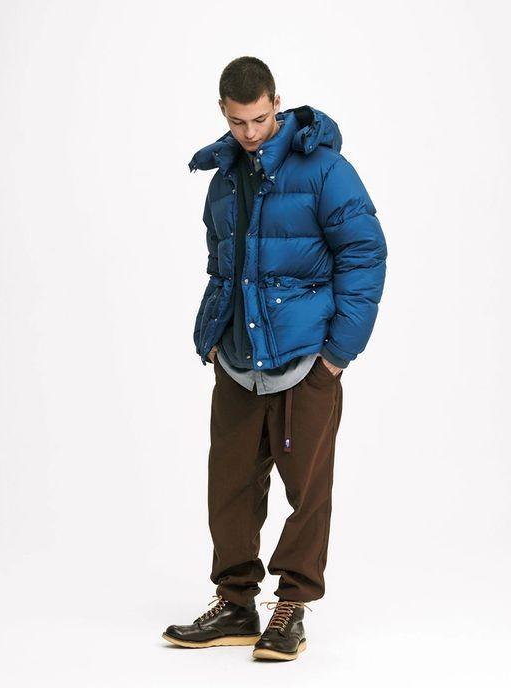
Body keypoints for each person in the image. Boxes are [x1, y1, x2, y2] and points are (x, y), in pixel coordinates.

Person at [162, 56, 387, 661]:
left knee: (307, 491)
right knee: (229, 489)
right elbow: (221, 263)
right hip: (238, 361)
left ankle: (291, 608)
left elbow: (365, 255)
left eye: (259, 119)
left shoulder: (325, 169)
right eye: (238, 122)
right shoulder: (222, 176)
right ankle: (235, 604)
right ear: (223, 112)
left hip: (305, 361)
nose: (250, 133)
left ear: (276, 103)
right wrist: (212, 334)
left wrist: (337, 354)